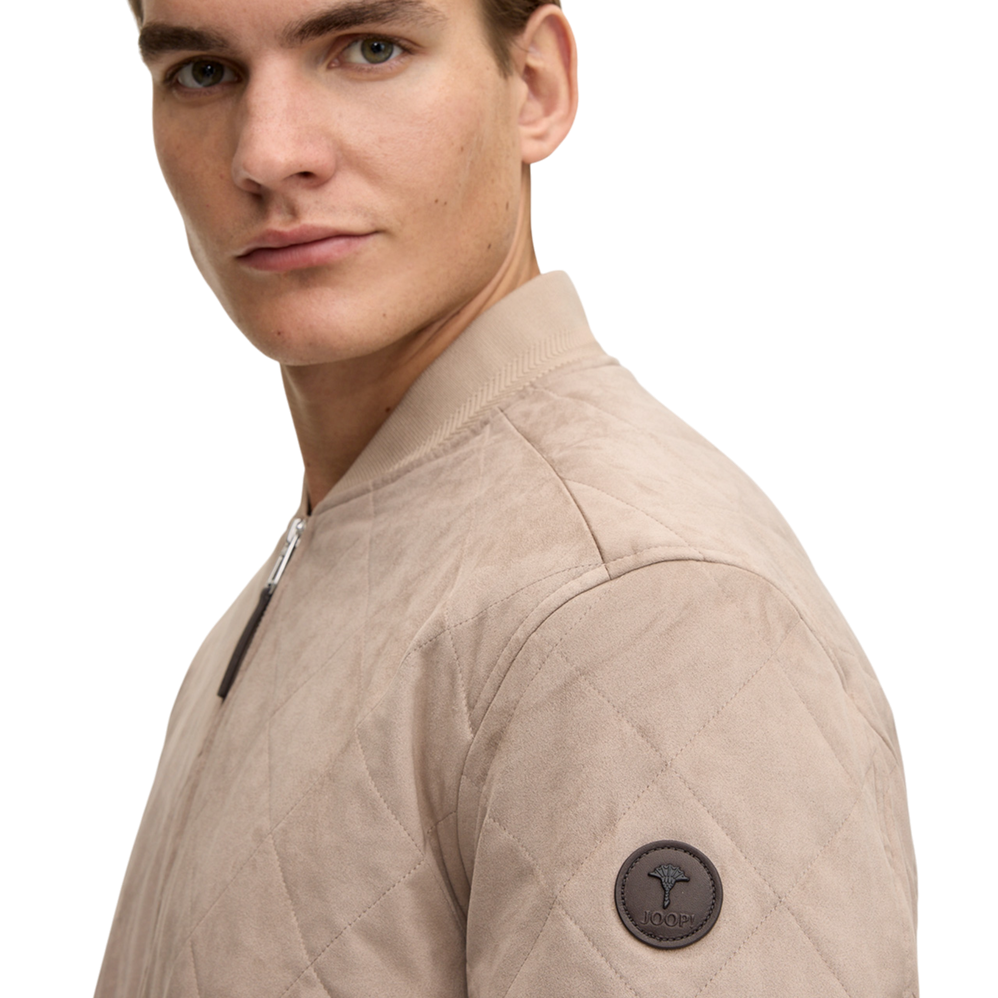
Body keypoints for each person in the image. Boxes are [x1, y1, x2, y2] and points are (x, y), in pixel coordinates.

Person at [97, 1, 919, 995]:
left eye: (368, 50)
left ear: (535, 86)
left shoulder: (633, 610)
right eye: (202, 71)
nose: (267, 154)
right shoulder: (351, 537)